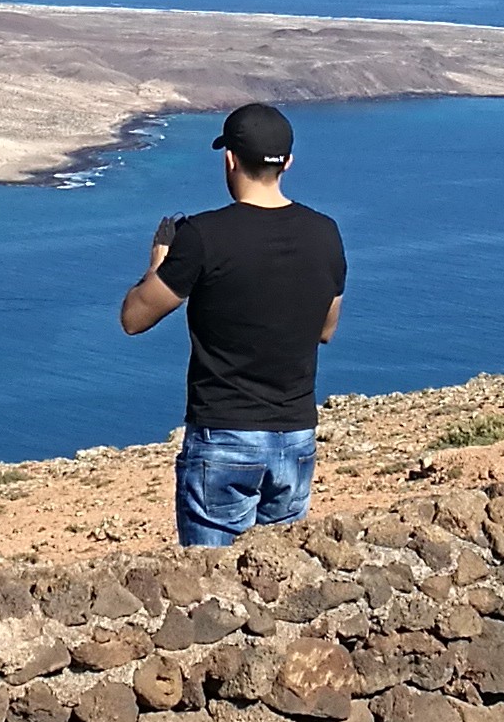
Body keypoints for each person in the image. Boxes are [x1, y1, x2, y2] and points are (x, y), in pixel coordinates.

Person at [119, 102, 347, 546]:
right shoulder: (327, 233)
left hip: (224, 437)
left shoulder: (203, 237)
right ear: (288, 162)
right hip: (295, 438)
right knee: (279, 578)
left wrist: (158, 263)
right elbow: (326, 328)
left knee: (210, 582)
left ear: (230, 159)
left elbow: (134, 317)